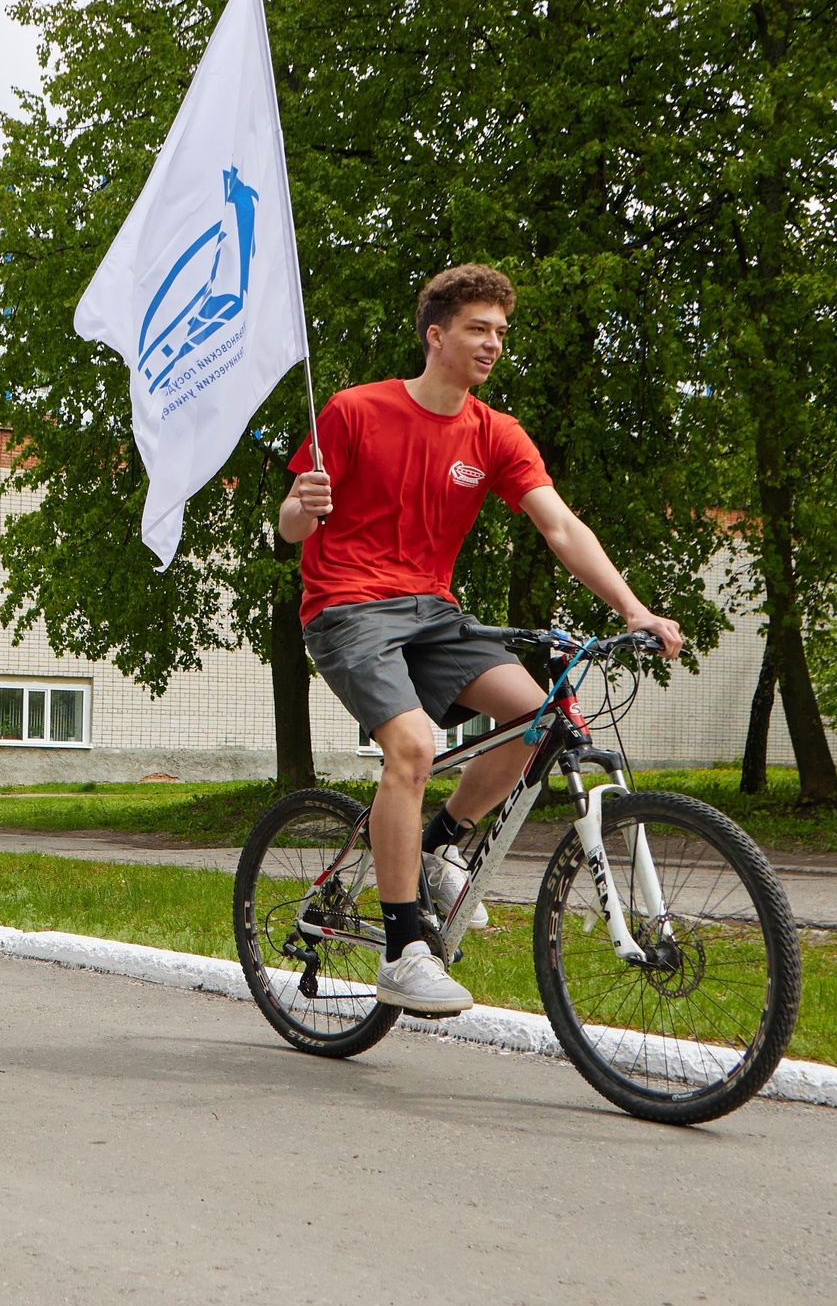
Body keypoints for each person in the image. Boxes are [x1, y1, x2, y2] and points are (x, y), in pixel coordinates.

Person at [279, 264, 683, 1017]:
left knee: (544, 722)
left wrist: (634, 608)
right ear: (436, 335)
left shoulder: (494, 433)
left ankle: (439, 844)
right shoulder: (353, 410)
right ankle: (405, 951)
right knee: (412, 747)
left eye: (501, 331)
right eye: (478, 328)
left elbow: (560, 526)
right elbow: (292, 526)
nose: (493, 343)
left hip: (434, 612)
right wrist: (300, 506)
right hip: (346, 607)